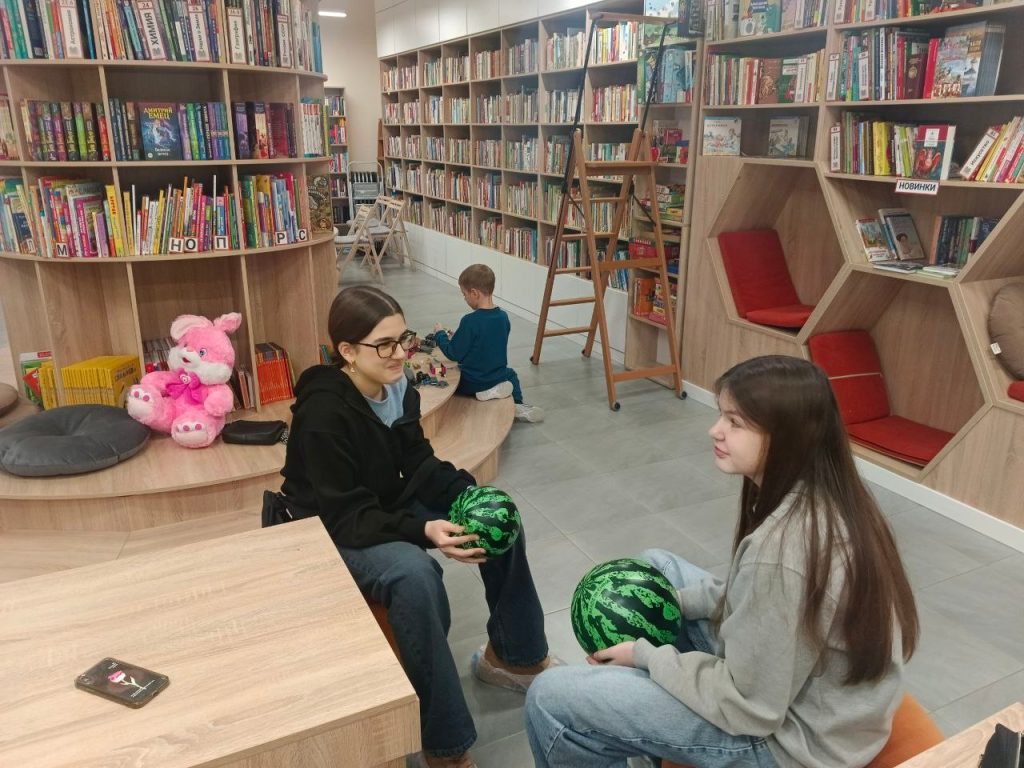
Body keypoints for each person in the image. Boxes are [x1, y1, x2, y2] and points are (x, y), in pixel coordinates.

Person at [525, 355, 920, 768]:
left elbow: (750, 708)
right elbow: (752, 599)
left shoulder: (783, 551)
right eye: (721, 415)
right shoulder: (827, 493)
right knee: (657, 566)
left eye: (735, 422)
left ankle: (625, 726)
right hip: (813, 703)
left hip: (789, 744)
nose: (715, 430)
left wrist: (645, 656)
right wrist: (667, 602)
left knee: (551, 698)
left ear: (786, 436)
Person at [279, 285, 560, 768]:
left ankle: (515, 656)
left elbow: (418, 463)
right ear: (348, 351)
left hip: (381, 502)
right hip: (327, 526)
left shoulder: (398, 387)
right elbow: (346, 514)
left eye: (403, 339)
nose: (400, 353)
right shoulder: (323, 413)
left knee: (496, 514)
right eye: (384, 344)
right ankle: (444, 743)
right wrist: (423, 531)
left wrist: (468, 496)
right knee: (414, 575)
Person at [433, 264, 544, 423]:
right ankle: (516, 404)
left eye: (464, 294)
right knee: (511, 374)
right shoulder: (503, 317)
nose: (464, 298)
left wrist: (440, 334)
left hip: (472, 381)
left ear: (474, 293)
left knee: (446, 374)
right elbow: (487, 341)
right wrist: (459, 336)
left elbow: (454, 353)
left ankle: (485, 393)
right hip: (498, 376)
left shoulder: (470, 321)